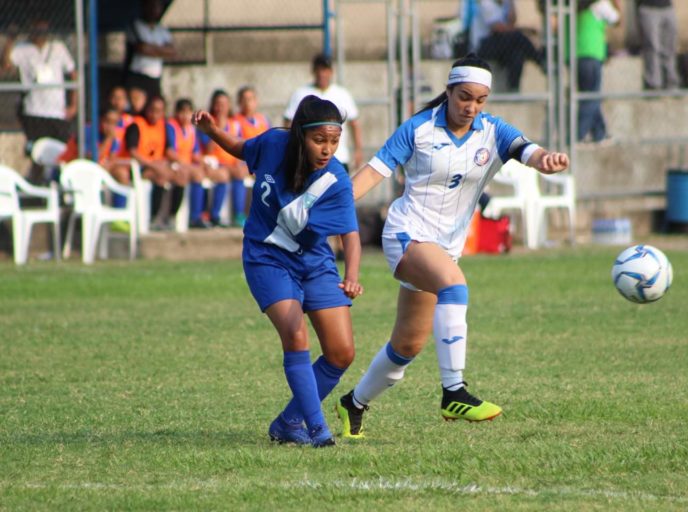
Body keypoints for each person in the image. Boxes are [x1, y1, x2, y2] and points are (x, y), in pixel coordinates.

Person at [335, 54, 569, 438]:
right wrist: (329, 207)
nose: (471, 107)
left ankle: (354, 403)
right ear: (448, 90)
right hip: (406, 234)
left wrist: (547, 160)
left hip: (444, 248)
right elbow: (370, 175)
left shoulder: (492, 132)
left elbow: (530, 152)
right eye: (464, 97)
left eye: (480, 100)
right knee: (454, 286)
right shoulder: (418, 130)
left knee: (406, 346)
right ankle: (454, 391)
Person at [193, 95, 363, 448]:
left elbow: (350, 234)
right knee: (294, 332)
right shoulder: (273, 143)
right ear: (299, 134)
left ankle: (289, 422)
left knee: (341, 352)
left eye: (334, 141)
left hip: (314, 263)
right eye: (319, 140)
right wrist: (211, 130)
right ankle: (318, 431)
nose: (327, 149)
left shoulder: (336, 179)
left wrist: (352, 275)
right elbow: (241, 148)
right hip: (267, 258)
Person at [1, 18, 77, 181]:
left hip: (57, 111)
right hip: (34, 111)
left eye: (44, 30)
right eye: (37, 30)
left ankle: (59, 188)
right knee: (37, 154)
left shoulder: (58, 48)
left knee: (61, 153)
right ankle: (36, 189)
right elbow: (6, 66)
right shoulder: (23, 49)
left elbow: (73, 73)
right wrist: (10, 40)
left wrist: (73, 104)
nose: (41, 34)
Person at [284, 54, 363, 171]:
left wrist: (358, 150)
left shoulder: (342, 94)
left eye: (325, 70)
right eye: (318, 70)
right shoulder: (301, 93)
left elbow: (354, 123)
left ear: (331, 72)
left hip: (339, 158)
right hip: (309, 160)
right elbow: (289, 123)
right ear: (313, 71)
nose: (322, 74)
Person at [122, 95, 188, 229]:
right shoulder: (137, 125)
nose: (154, 114)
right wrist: (152, 164)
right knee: (161, 176)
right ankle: (153, 218)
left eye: (159, 111)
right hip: (141, 167)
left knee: (181, 176)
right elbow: (133, 152)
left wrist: (181, 163)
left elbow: (168, 150)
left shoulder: (163, 126)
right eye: (152, 110)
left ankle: (171, 217)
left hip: (159, 165)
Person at [570, 0, 621, 143]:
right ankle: (577, 135)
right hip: (592, 55)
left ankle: (599, 133)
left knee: (589, 94)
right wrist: (617, 3)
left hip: (576, 56)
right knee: (592, 97)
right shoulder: (600, 5)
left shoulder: (576, 6)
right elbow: (617, 20)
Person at [198, 89, 249, 227]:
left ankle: (239, 214)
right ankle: (214, 215)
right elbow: (207, 150)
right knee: (223, 175)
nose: (221, 108)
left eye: (224, 104)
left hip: (230, 162)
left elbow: (239, 144)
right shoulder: (207, 123)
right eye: (218, 104)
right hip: (213, 163)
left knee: (240, 172)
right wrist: (217, 129)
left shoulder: (234, 123)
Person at [469, 0, 544, 92]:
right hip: (484, 46)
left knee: (517, 54)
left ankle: (514, 88)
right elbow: (498, 28)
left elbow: (512, 22)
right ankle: (539, 59)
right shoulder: (486, 3)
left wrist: (512, 3)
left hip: (502, 44)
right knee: (517, 36)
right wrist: (522, 31)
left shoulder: (506, 3)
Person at [166, 98, 209, 228]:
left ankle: (196, 216)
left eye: (188, 112)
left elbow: (195, 151)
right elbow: (169, 150)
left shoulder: (191, 129)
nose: (184, 116)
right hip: (173, 162)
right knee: (183, 175)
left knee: (200, 174)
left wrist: (203, 162)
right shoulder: (171, 126)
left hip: (187, 163)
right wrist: (182, 162)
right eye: (181, 112)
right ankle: (172, 215)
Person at [124, 0, 175, 99]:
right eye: (151, 6)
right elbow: (142, 48)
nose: (154, 10)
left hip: (155, 76)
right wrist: (161, 50)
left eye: (157, 7)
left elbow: (172, 52)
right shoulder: (135, 25)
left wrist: (151, 48)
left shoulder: (162, 30)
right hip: (137, 75)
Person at [637, 0, 679, 90]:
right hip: (648, 8)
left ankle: (670, 82)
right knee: (652, 47)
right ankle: (652, 83)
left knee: (669, 48)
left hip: (667, 7)